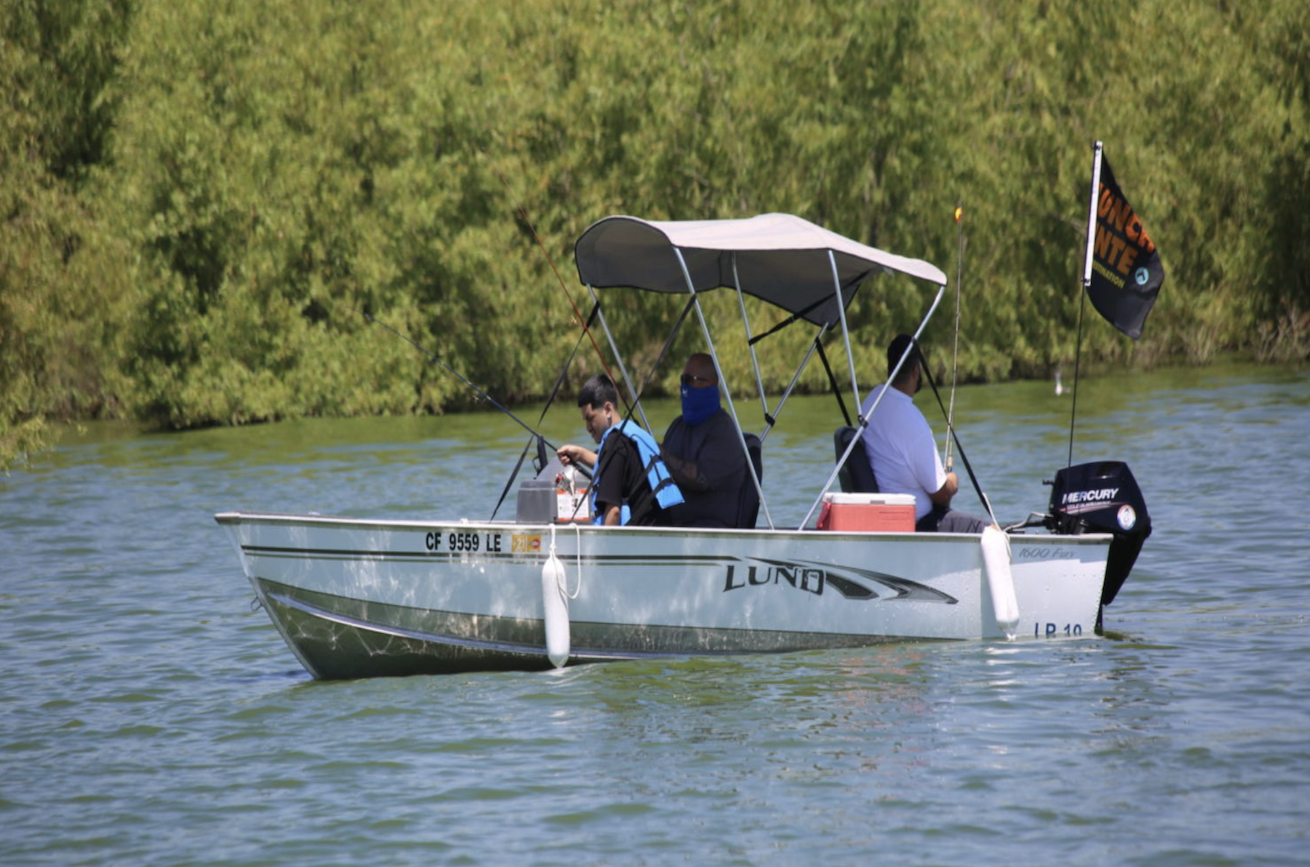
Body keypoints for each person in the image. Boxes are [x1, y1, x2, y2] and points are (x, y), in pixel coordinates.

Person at [859, 334, 989, 534]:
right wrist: (952, 481)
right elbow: (941, 496)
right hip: (919, 523)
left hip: (886, 517)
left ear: (890, 368)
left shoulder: (872, 400)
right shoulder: (912, 421)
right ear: (916, 371)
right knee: (991, 532)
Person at [557, 374, 684, 526]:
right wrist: (581, 455)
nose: (588, 427)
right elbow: (617, 470)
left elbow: (614, 511)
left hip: (636, 543)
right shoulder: (631, 435)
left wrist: (602, 548)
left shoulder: (614, 443)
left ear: (608, 409)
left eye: (590, 418)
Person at [660, 353, 749, 528]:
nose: (683, 386)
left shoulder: (723, 429)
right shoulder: (678, 425)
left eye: (688, 379)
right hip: (674, 526)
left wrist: (663, 457)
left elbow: (701, 479)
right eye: (682, 379)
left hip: (709, 531)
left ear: (708, 384)